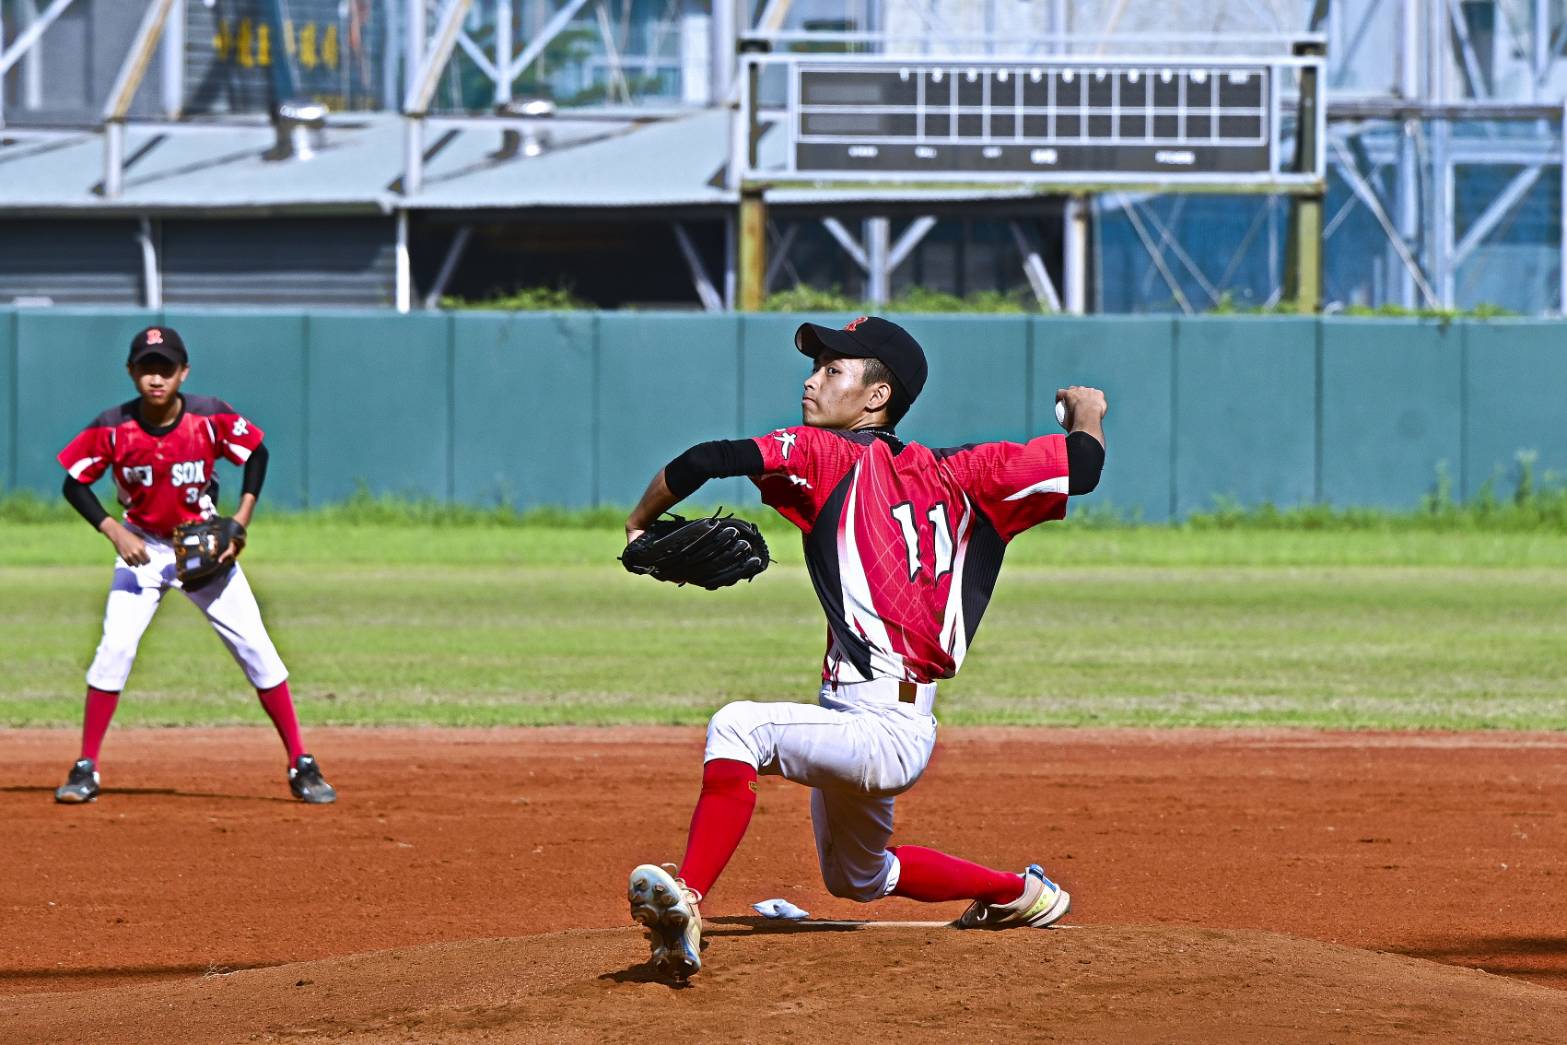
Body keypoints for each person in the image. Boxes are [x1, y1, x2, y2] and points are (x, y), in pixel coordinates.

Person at [623, 315, 1107, 979]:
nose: (812, 379)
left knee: (738, 726)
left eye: (832, 369)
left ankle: (689, 904)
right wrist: (1086, 410)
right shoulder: (970, 471)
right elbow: (1082, 466)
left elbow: (705, 460)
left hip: (878, 728)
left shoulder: (825, 455)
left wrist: (635, 526)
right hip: (897, 723)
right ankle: (1018, 893)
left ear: (875, 397)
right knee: (858, 876)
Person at [51, 325, 335, 805]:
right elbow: (74, 483)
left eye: (165, 368)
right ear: (130, 372)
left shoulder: (209, 416)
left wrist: (240, 519)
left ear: (183, 372)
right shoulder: (112, 426)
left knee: (257, 649)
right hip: (141, 546)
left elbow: (256, 452)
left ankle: (301, 762)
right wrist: (113, 531)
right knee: (114, 649)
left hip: (201, 548)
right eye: (146, 368)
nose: (156, 378)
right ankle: (86, 766)